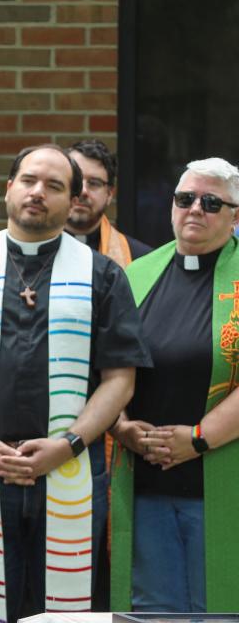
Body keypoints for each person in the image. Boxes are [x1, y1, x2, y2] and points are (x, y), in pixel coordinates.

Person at [0, 144, 151, 621]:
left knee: (67, 611)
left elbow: (120, 379)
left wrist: (68, 444)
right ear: (10, 187)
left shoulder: (103, 276)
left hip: (72, 469)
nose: (39, 193)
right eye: (30, 180)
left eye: (55, 186)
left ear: (73, 199)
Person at [111, 158, 239, 612]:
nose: (195, 210)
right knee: (153, 611)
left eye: (211, 202)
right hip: (146, 485)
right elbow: (109, 368)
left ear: (235, 215)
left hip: (223, 480)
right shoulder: (135, 275)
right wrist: (121, 426)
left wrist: (199, 440)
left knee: (221, 609)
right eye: (185, 199)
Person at [66, 139, 151, 265]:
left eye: (94, 183)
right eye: (76, 181)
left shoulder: (142, 260)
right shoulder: (32, 250)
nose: (83, 191)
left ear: (110, 194)